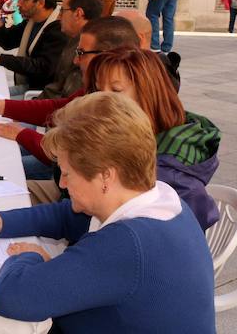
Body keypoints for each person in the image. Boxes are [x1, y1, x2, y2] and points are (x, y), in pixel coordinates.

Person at [0, 92, 215, 333]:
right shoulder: (160, 199)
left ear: (106, 176)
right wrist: (0, 221)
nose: (62, 184)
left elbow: (12, 296)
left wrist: (35, 258)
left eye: (68, 173)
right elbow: (66, 216)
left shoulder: (127, 244)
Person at [0, 16, 142, 186]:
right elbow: (60, 110)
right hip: (65, 177)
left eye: (80, 53)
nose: (75, 60)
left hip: (66, 180)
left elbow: (61, 154)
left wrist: (21, 133)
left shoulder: (123, 109)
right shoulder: (97, 87)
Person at [84, 47, 220, 230]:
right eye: (98, 90)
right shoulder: (131, 137)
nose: (101, 99)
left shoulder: (168, 171)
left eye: (115, 90)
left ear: (148, 94)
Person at [0, 0, 67, 96]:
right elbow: (8, 42)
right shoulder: (32, 21)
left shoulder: (59, 28)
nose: (18, 3)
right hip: (28, 87)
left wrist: (2, 60)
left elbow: (43, 68)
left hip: (43, 95)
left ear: (40, 2)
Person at [37, 0, 102, 100]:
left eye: (62, 10)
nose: (58, 16)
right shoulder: (73, 39)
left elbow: (67, 101)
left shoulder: (87, 48)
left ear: (78, 14)